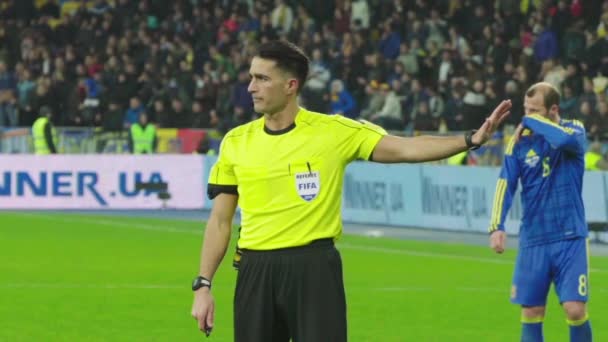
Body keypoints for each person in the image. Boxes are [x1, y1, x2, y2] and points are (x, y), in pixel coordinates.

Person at [191, 40, 511, 341]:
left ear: (291, 86)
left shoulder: (334, 132)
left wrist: (470, 140)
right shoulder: (235, 141)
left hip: (314, 268)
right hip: (254, 270)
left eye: (261, 78)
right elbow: (220, 221)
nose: (250, 87)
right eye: (251, 77)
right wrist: (203, 285)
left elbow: (404, 148)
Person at [488, 82, 592, 342]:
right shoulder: (519, 144)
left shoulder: (574, 129)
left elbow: (564, 140)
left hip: (569, 236)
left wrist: (533, 122)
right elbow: (505, 183)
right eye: (525, 109)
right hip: (534, 239)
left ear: (553, 109)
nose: (526, 116)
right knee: (532, 311)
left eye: (534, 111)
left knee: (575, 309)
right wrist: (497, 226)